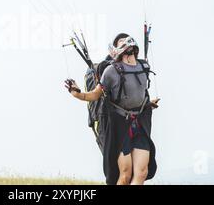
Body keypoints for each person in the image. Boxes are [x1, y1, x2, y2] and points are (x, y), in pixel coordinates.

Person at [65, 34, 160, 185]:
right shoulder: (111, 71)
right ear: (116, 50)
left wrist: (148, 104)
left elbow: (140, 93)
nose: (126, 41)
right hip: (120, 127)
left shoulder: (143, 67)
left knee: (142, 172)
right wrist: (78, 94)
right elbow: (95, 94)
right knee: (125, 174)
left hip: (139, 125)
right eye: (121, 42)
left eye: (128, 39)